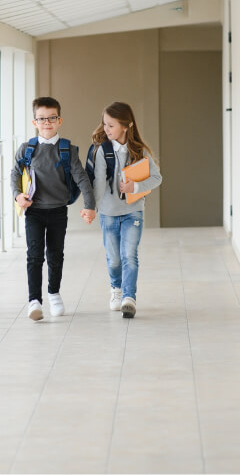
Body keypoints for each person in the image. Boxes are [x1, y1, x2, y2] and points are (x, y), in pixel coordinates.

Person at [12, 96, 96, 321]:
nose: (46, 122)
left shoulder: (67, 149)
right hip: (34, 211)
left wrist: (90, 206)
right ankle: (34, 301)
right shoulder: (26, 149)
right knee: (34, 255)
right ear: (34, 122)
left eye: (51, 118)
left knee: (56, 255)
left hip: (58, 211)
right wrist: (17, 195)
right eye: (41, 119)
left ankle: (54, 293)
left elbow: (82, 179)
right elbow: (15, 175)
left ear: (59, 120)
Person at [81, 102, 162, 318]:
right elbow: (98, 182)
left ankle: (129, 297)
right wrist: (91, 208)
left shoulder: (139, 151)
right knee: (114, 257)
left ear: (126, 126)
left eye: (111, 125)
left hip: (133, 211)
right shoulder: (101, 150)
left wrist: (135, 187)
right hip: (108, 212)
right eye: (105, 124)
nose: (106, 129)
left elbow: (157, 178)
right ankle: (116, 289)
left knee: (129, 255)